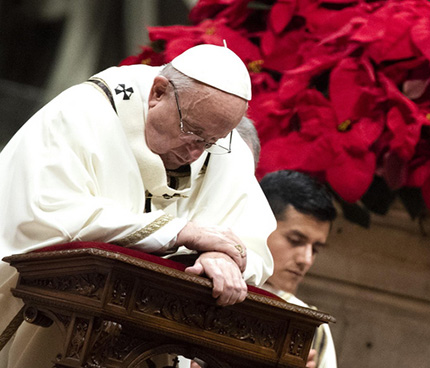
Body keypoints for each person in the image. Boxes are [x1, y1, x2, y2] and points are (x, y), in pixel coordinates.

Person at [0, 44, 276, 367]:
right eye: (191, 132)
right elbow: (48, 213)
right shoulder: (82, 114)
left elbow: (255, 246)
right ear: (157, 93)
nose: (196, 153)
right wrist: (181, 233)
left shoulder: (222, 146)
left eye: (209, 142)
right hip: (48, 322)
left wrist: (221, 255)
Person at [261, 170, 338, 368]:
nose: (306, 260)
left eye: (315, 249)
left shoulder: (310, 327)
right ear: (259, 222)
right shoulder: (202, 281)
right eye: (295, 241)